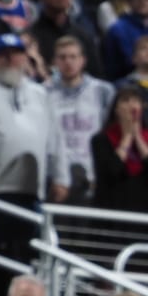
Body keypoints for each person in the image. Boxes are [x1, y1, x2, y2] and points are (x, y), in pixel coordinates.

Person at [0, 35, 69, 277]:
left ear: (25, 57)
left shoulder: (39, 93)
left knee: (27, 255)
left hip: (30, 190)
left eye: (16, 54)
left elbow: (55, 137)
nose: (10, 60)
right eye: (4, 54)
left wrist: (61, 176)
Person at [45, 39, 113, 205]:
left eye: (73, 57)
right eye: (62, 57)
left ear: (83, 60)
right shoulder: (42, 92)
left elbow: (109, 134)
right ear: (55, 62)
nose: (68, 62)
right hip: (55, 177)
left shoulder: (103, 91)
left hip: (92, 172)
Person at [91, 87, 148, 214]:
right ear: (116, 109)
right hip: (112, 207)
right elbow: (111, 171)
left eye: (136, 101)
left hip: (144, 208)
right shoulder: (101, 140)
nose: (132, 105)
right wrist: (127, 137)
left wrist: (137, 138)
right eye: (126, 100)